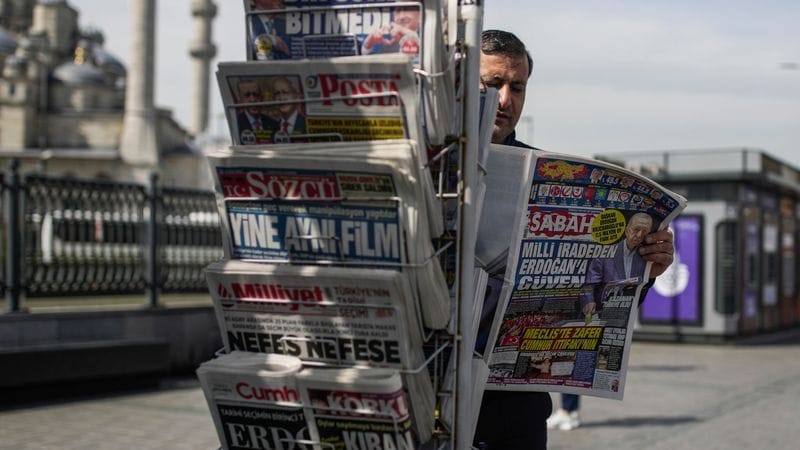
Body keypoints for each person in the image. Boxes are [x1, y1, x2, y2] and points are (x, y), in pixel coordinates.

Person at [472, 29, 675, 450]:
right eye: (493, 85)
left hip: (512, 416)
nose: (506, 100)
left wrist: (645, 271)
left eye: (518, 86)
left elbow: (595, 307)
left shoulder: (545, 173)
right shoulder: (422, 167)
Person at [580, 212, 655, 318]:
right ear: (627, 230)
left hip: (623, 316)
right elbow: (589, 285)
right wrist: (589, 301)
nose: (639, 235)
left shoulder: (645, 255)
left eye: (644, 232)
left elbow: (640, 292)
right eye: (636, 229)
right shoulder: (606, 253)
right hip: (599, 314)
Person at [234, 78, 278, 145]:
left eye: (256, 95)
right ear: (240, 99)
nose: (253, 100)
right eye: (247, 95)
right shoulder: (236, 123)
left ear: (261, 98)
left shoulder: (273, 123)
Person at [269, 76, 307, 142]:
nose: (281, 98)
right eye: (277, 94)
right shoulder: (272, 127)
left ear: (296, 96)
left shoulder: (306, 124)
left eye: (285, 92)